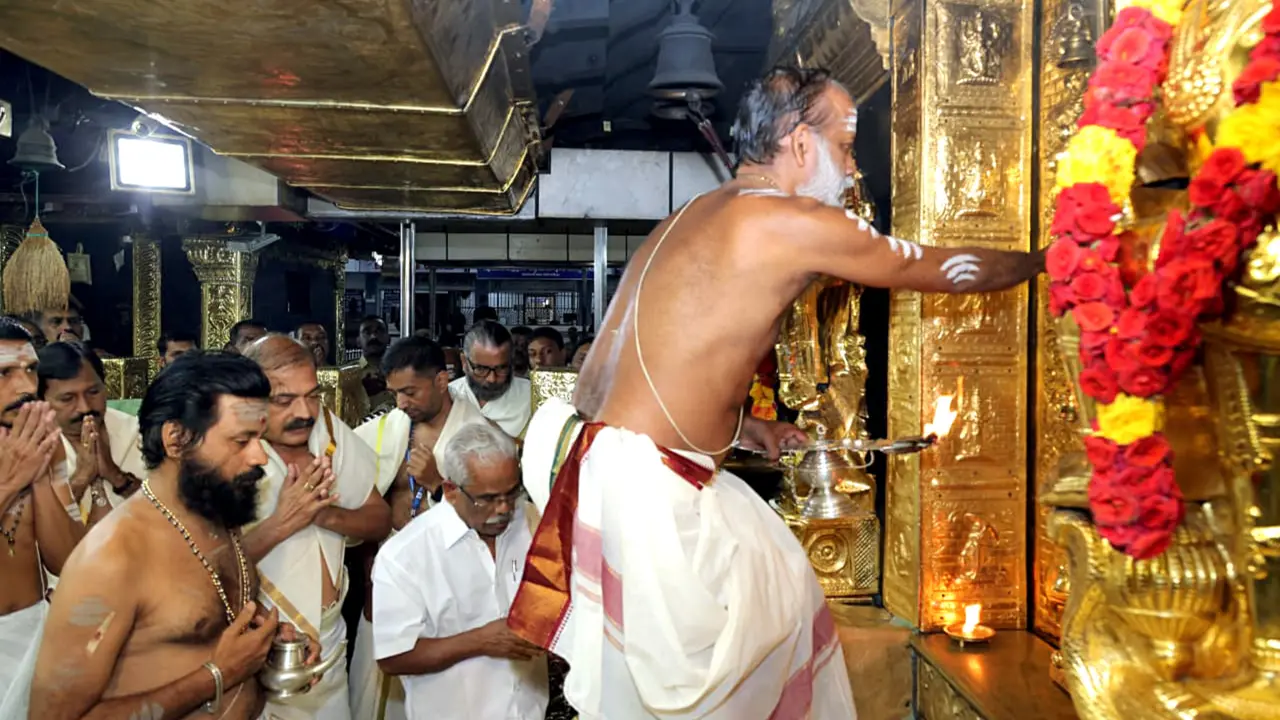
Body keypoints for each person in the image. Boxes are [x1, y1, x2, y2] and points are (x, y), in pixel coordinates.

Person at [512, 66, 1045, 718]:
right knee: (731, 670)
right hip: (649, 488)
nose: (851, 170)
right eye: (845, 147)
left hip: (610, 463)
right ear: (798, 144)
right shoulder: (788, 221)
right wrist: (1052, 259)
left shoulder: (691, 216)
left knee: (781, 586)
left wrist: (742, 429)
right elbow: (933, 269)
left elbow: (624, 376)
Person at [27, 352, 284, 720]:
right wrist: (218, 674)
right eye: (241, 441)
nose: (260, 456)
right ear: (176, 440)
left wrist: (266, 645)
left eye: (260, 438)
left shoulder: (218, 512)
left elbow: (202, 630)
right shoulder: (114, 557)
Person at [240, 335, 391, 720]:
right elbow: (204, 566)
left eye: (312, 395)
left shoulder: (328, 432)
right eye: (284, 400)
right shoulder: (230, 451)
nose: (304, 412)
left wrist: (323, 514)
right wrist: (283, 520)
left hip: (330, 637)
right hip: (262, 642)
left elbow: (379, 519)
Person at [349, 335, 490, 720]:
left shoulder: (481, 437)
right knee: (375, 685)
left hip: (449, 579)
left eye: (410, 391)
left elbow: (494, 520)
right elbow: (359, 500)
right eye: (395, 393)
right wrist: (368, 574)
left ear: (442, 381)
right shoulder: (384, 430)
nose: (401, 403)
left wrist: (435, 485)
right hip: (388, 574)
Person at [373, 423, 548, 720]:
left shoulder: (529, 521)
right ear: (452, 491)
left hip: (530, 710)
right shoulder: (405, 555)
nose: (504, 508)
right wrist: (479, 641)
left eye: (512, 493)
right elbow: (393, 657)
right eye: (489, 498)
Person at [0, 319, 83, 717]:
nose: (25, 387)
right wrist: (9, 481)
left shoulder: (45, 445)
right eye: (4, 373)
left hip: (35, 634)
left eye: (31, 370)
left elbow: (67, 561)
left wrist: (41, 474)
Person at [38, 341, 145, 524]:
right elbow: (36, 534)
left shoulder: (138, 432)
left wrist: (115, 475)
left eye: (93, 392)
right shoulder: (31, 448)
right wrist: (81, 477)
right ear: (42, 401)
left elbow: (171, 511)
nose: (85, 407)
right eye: (67, 398)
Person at [450, 321, 532, 437]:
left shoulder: (533, 397)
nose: (492, 379)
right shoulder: (447, 397)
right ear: (464, 362)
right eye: (481, 369)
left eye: (501, 368)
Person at [358, 316, 395, 414]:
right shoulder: (351, 374)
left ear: (389, 339)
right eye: (367, 332)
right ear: (358, 341)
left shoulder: (401, 371)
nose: (374, 336)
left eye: (379, 331)